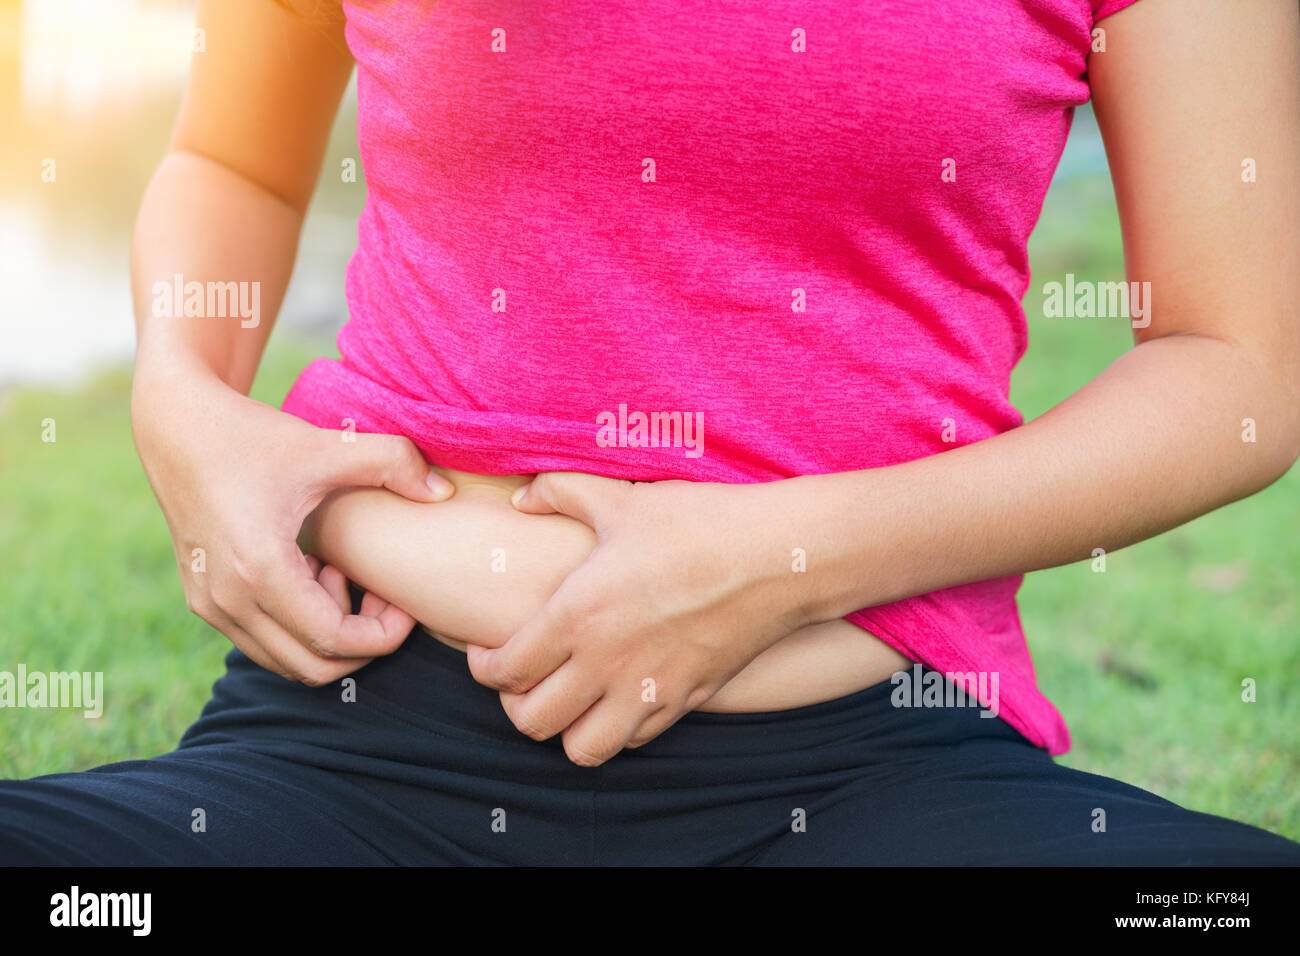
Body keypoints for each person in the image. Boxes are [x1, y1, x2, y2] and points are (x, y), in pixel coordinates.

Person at [2, 0, 1298, 865]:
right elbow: (237, 163)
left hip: (875, 767)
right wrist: (180, 398)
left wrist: (780, 554)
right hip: (354, 739)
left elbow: (1237, 362)